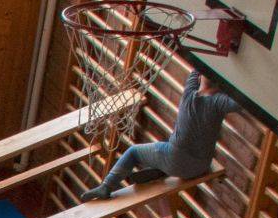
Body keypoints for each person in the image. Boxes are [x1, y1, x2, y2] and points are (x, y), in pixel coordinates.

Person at [80, 69, 241, 201]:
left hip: (175, 159)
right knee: (167, 150)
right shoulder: (219, 102)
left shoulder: (189, 92)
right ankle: (161, 170)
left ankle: (106, 187)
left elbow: (196, 66)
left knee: (134, 152)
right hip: (202, 165)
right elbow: (239, 103)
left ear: (199, 78)